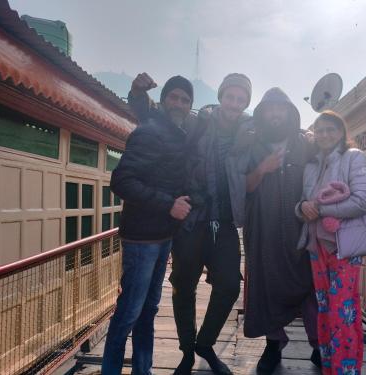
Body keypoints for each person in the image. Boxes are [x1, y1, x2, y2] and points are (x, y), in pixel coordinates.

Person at [128, 73, 253, 375]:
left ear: (246, 103)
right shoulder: (199, 123)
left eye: (241, 99)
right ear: (221, 96)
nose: (234, 103)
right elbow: (157, 116)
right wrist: (137, 94)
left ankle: (205, 344)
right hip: (191, 220)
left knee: (228, 286)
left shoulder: (250, 132)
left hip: (224, 223)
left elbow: (282, 135)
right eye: (230, 96)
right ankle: (186, 351)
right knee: (183, 286)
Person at [101, 76, 195, 375]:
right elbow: (121, 181)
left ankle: (143, 370)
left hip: (163, 236)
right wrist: (168, 204)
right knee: (129, 313)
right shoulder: (149, 132)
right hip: (142, 240)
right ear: (164, 100)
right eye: (174, 97)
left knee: (147, 313)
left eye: (185, 99)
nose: (179, 103)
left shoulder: (173, 132)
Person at [242, 87, 320, 374]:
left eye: (280, 108)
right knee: (266, 287)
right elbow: (243, 187)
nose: (275, 114)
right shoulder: (253, 145)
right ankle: (274, 344)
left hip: (302, 229)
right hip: (264, 230)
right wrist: (262, 168)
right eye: (270, 109)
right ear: (262, 114)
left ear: (289, 112)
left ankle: (317, 344)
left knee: (310, 287)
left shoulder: (306, 143)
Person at [295, 110, 366, 375]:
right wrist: (302, 207)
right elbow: (304, 203)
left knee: (344, 310)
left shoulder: (354, 158)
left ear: (342, 132)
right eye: (320, 130)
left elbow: (363, 201)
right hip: (317, 246)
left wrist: (321, 210)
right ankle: (331, 365)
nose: (324, 135)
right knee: (326, 308)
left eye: (330, 129)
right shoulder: (311, 166)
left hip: (344, 245)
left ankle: (345, 369)